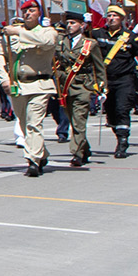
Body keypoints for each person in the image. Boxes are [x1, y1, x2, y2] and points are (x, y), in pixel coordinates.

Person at [0, 0, 59, 175]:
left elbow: (46, 42)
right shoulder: (11, 34)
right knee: (24, 123)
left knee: (34, 122)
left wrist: (19, 32)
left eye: (32, 10)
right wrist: (4, 80)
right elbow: (1, 56)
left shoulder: (48, 32)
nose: (27, 14)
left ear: (39, 13)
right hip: (18, 85)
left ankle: (32, 160)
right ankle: (41, 153)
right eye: (25, 11)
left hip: (39, 85)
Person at [54, 11, 103, 167]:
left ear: (82, 25)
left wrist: (102, 87)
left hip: (83, 86)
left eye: (73, 23)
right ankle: (84, 149)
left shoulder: (90, 44)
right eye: (68, 23)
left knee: (79, 121)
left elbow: (99, 67)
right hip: (64, 86)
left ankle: (76, 153)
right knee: (72, 120)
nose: (69, 26)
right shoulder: (60, 41)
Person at [98, 7, 138, 158]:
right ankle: (118, 133)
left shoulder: (130, 37)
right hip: (106, 79)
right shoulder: (98, 34)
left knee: (122, 109)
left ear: (122, 18)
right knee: (110, 112)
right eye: (109, 15)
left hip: (124, 79)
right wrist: (85, 26)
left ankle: (123, 142)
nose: (111, 18)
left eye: (115, 16)